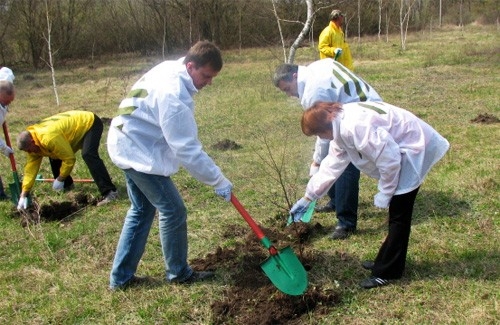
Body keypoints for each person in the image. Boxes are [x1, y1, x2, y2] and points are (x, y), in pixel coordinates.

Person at [107, 40, 233, 290]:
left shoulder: (170, 68)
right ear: (190, 66)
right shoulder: (173, 95)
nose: (209, 82)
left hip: (126, 141)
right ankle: (178, 273)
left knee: (142, 210)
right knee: (173, 210)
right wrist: (217, 180)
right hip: (137, 152)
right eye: (206, 76)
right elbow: (186, 148)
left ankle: (121, 279)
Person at [290, 101, 449, 289]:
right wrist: (308, 197)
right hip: (400, 148)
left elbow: (389, 160)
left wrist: (386, 192)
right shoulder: (339, 125)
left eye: (318, 133)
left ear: (325, 126)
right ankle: (385, 261)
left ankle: (387, 272)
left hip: (413, 147)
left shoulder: (355, 127)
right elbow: (332, 165)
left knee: (399, 216)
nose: (320, 138)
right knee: (397, 214)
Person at [273, 59, 382, 239]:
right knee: (332, 159)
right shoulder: (316, 67)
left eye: (287, 89)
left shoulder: (313, 91)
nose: (289, 95)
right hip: (358, 109)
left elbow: (323, 135)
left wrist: (316, 162)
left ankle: (346, 223)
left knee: (346, 165)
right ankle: (335, 201)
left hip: (364, 117)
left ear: (294, 76)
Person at [16, 110, 118, 209]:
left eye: (29, 150)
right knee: (53, 154)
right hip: (71, 132)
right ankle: (67, 186)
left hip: (89, 123)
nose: (30, 153)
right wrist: (24, 194)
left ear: (32, 141)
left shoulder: (48, 138)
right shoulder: (33, 146)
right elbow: (30, 171)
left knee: (88, 154)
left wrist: (60, 178)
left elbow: (69, 158)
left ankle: (110, 192)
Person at [0, 67, 16, 200]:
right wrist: (4, 147)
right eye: (7, 101)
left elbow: (6, 72)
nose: (9, 103)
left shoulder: (5, 86)